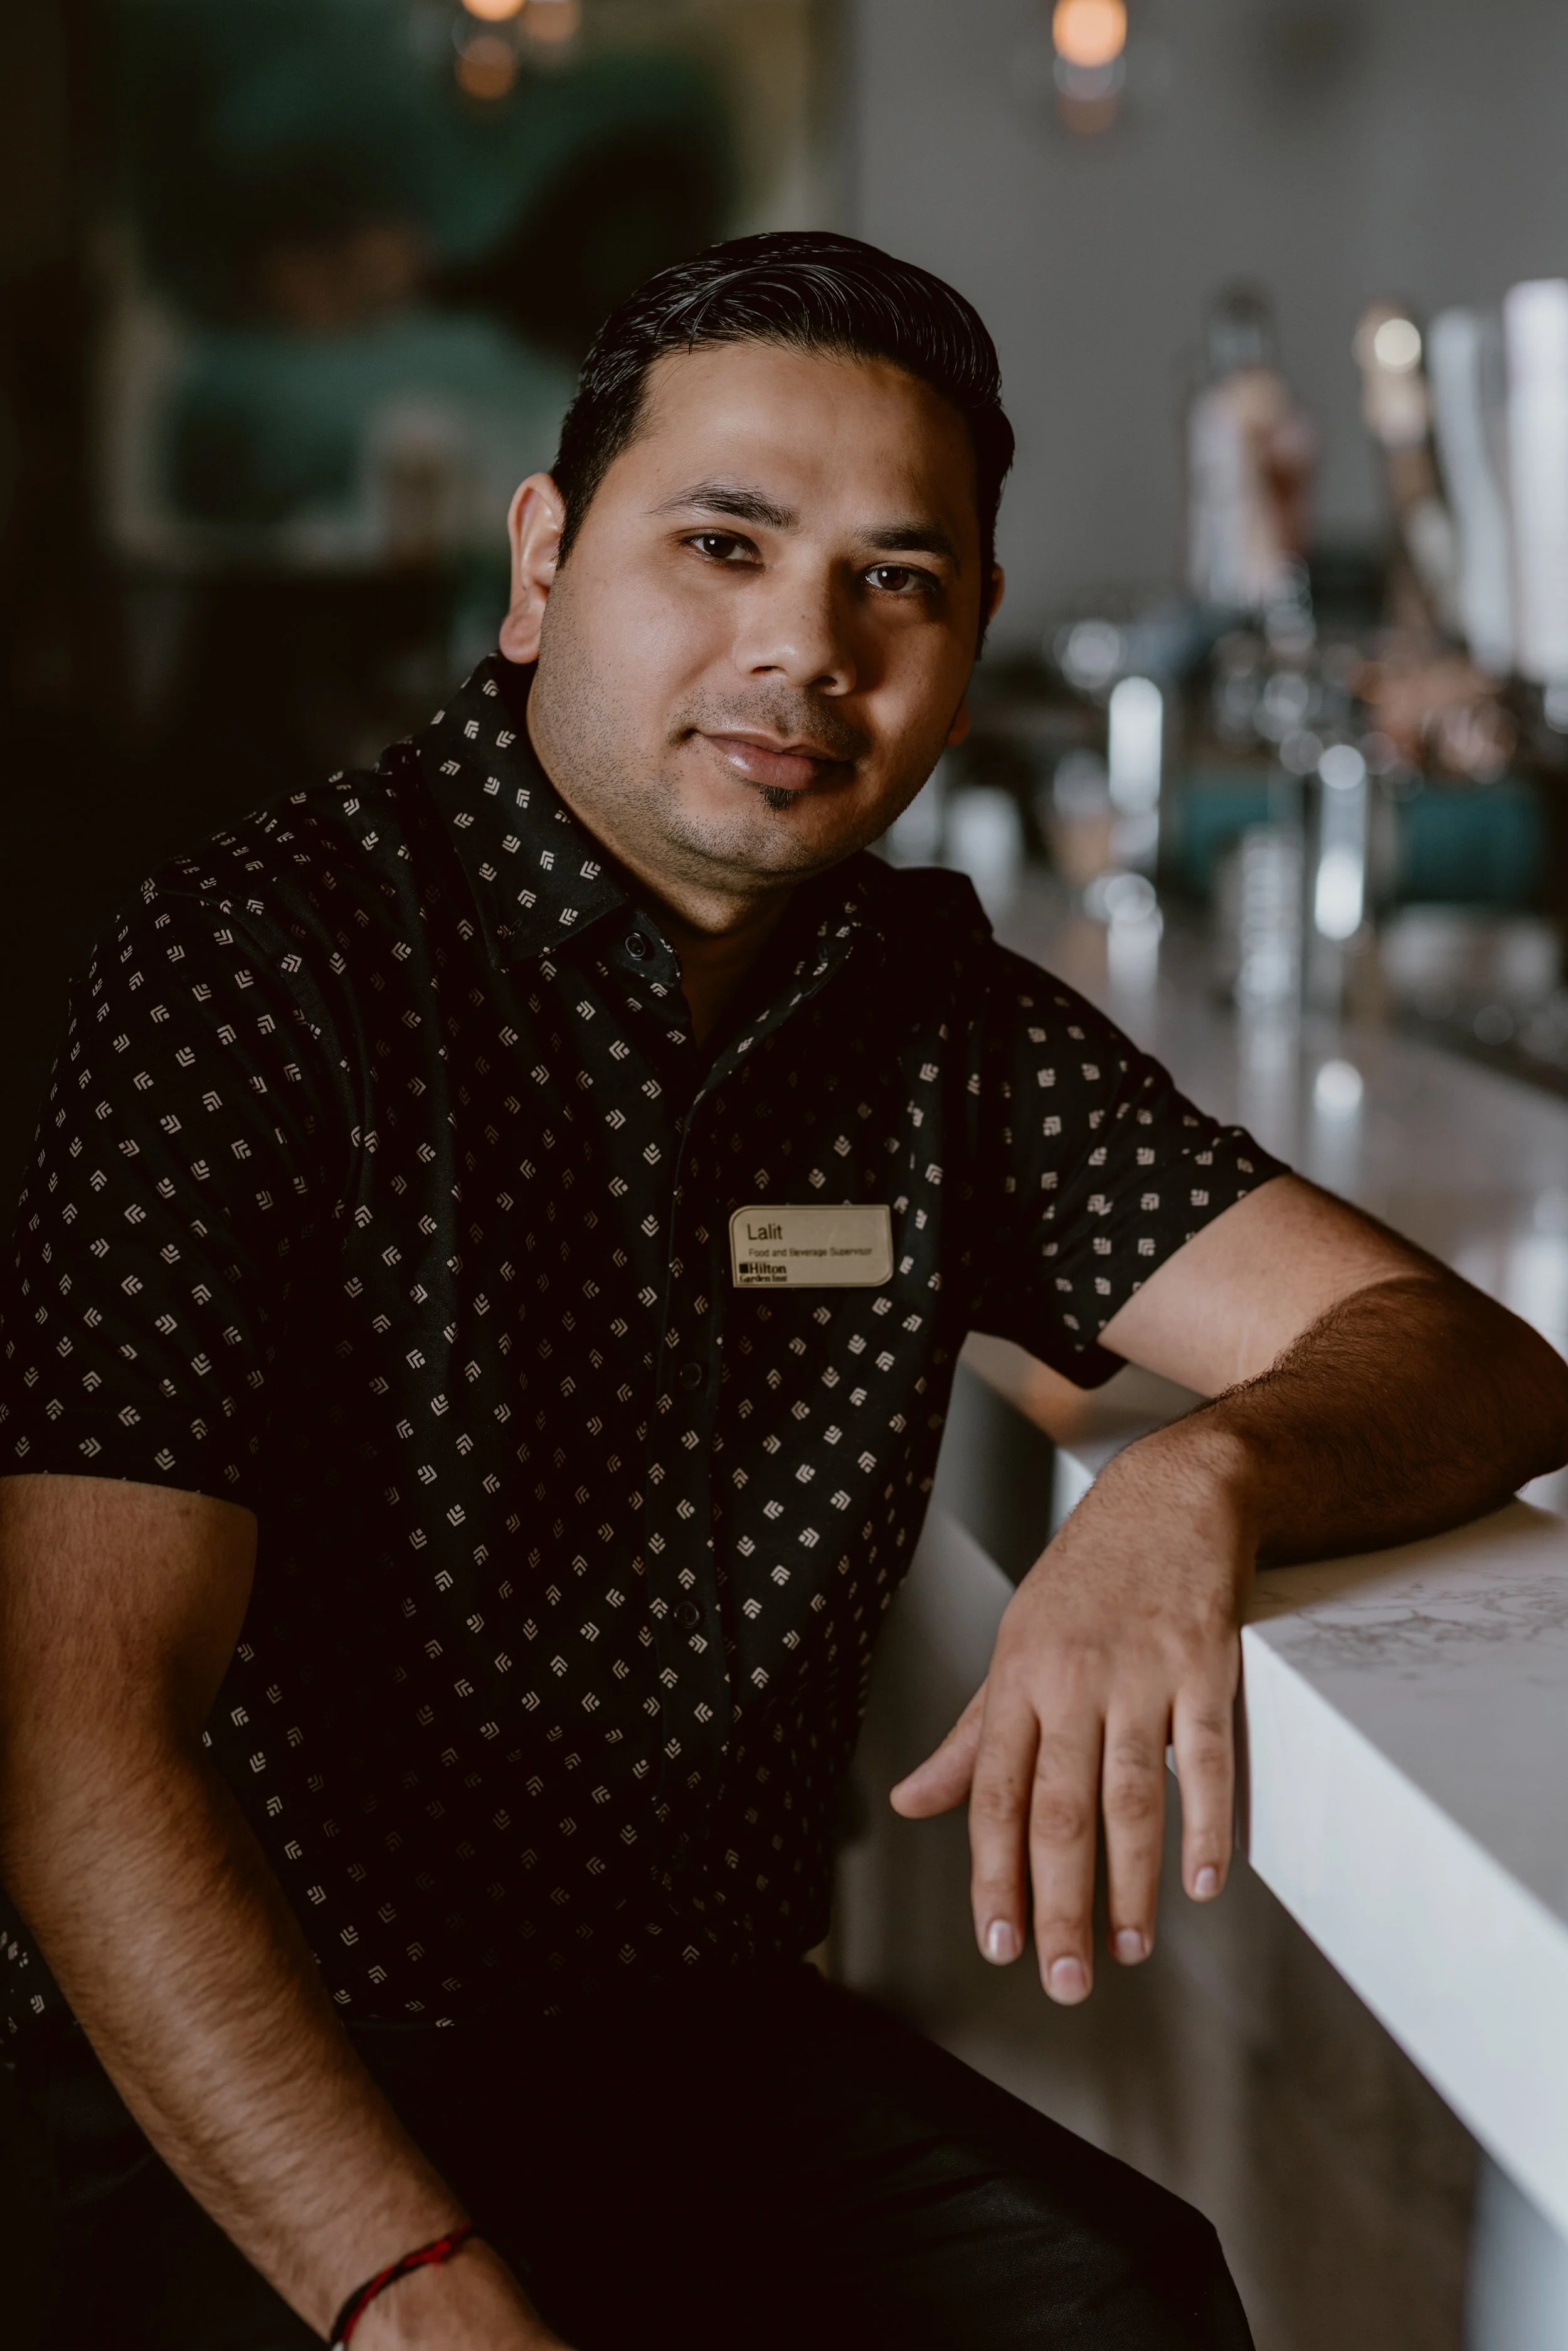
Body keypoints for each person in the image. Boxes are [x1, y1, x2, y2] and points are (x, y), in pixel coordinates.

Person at [0, 232, 1562, 2351]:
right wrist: (417, 2298)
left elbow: (1459, 1356)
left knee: (1119, 2308)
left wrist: (1200, 1481)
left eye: (891, 583)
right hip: (205, 2076)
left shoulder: (925, 1020)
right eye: (721, 544)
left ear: (971, 629)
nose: (803, 650)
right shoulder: (265, 975)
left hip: (669, 2055)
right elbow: (80, 1747)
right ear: (544, 559)